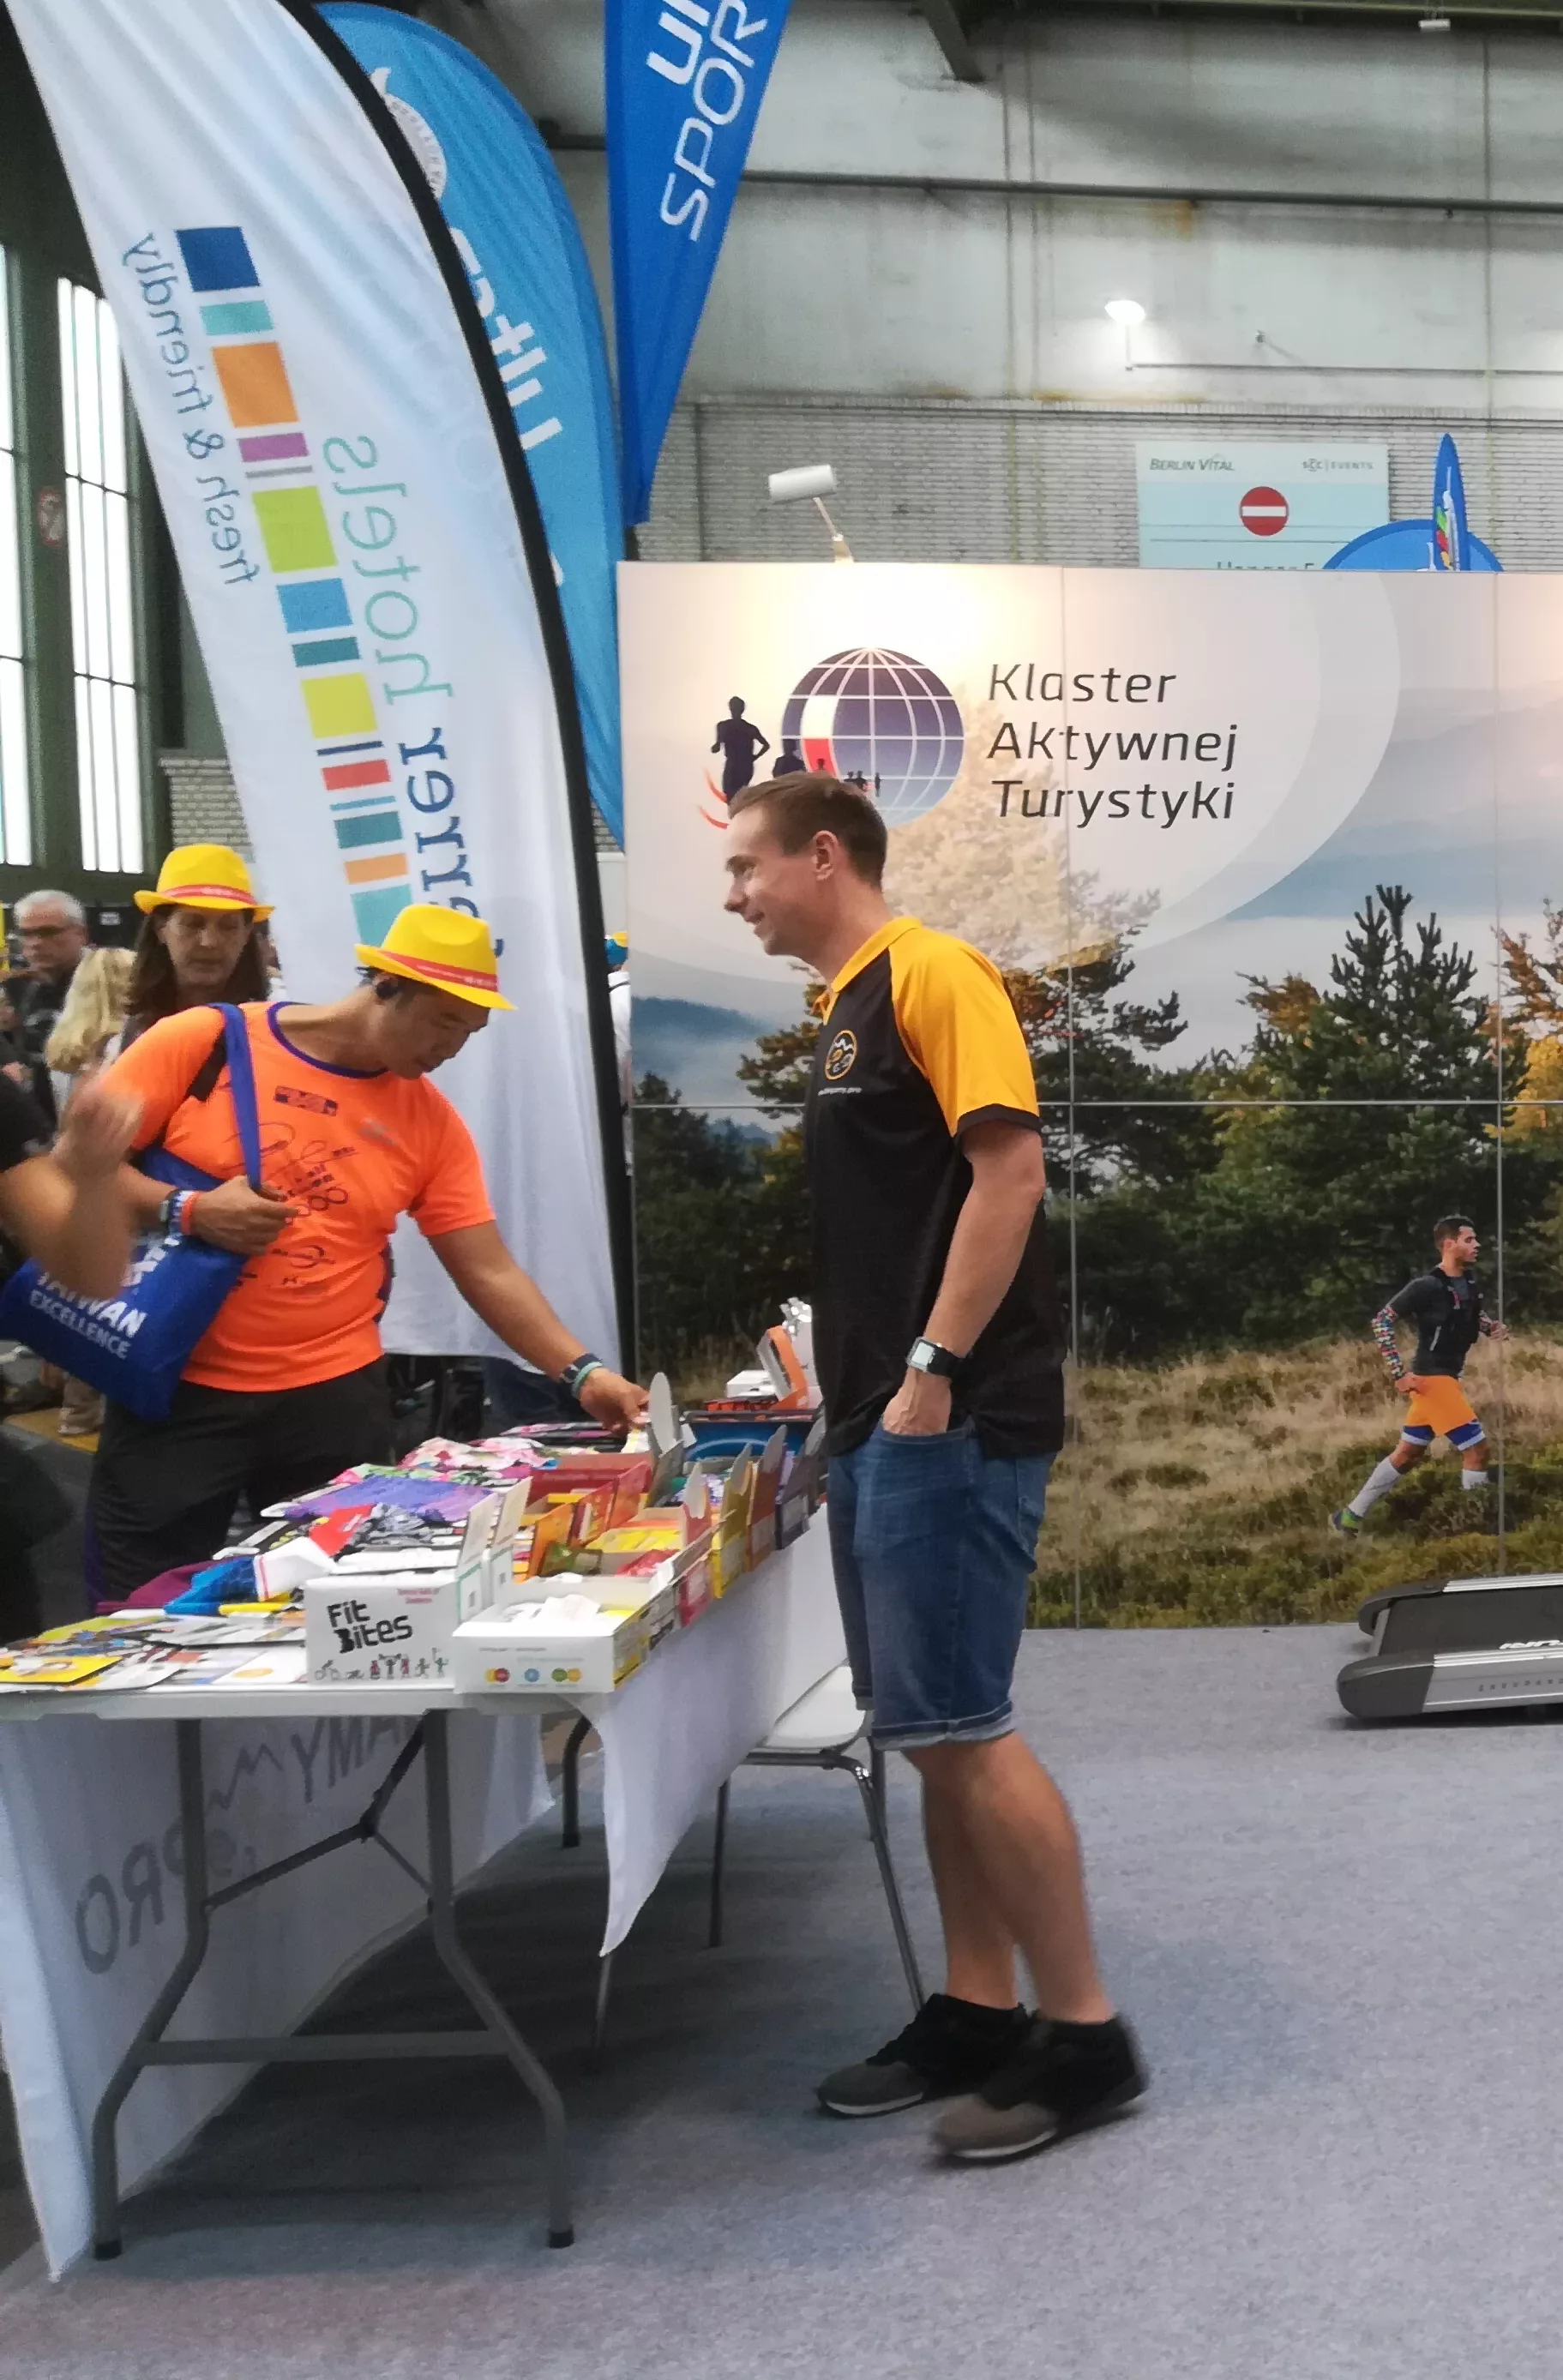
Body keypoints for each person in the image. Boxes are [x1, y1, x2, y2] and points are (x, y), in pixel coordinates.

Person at [722, 772, 1145, 2164]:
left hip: (947, 1418)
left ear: (821, 855)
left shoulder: (933, 974)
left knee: (963, 1725)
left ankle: (1083, 2039)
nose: (732, 895)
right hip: (878, 1417)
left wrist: (929, 1370)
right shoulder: (846, 1006)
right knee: (925, 1730)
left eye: (744, 866)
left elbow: (1009, 1176)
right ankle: (974, 2006)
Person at [91, 903, 646, 1597]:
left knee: (333, 1606)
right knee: (137, 1604)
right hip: (175, 1381)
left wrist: (583, 1374)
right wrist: (188, 1209)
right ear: (385, 985)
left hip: (332, 1398)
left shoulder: (429, 1121)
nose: (451, 1048)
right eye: (444, 1021)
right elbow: (74, 1169)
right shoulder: (205, 1042)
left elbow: (487, 1268)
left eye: (469, 1032)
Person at [1331, 1215, 1506, 1536]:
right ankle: (1477, 1532)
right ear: (1449, 1244)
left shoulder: (1469, 1283)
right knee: (1477, 1451)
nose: (1477, 1245)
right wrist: (1398, 1373)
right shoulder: (1426, 1286)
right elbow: (1382, 1321)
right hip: (1433, 1380)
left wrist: (1489, 1327)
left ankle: (1349, 1518)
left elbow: (1468, 1315)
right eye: (1469, 1240)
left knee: (1407, 1455)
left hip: (1445, 1380)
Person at [43, 946, 136, 1437]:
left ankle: (75, 1410)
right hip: (112, 1177)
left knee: (78, 1299)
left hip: (64, 1176)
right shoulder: (127, 1046)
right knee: (118, 1298)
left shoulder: (63, 1047)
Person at [118, 844, 272, 1050]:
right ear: (160, 928)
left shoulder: (276, 1028)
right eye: (193, 924)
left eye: (228, 926)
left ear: (246, 934)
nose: (210, 942)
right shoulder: (129, 1034)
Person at [10, 890, 89, 1120]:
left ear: (81, 933)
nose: (35, 943)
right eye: (26, 934)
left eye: (48, 932)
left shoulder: (111, 985)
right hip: (40, 1122)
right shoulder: (18, 989)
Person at [712, 697, 770, 801]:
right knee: (732, 794)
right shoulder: (725, 726)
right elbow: (717, 745)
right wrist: (754, 757)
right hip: (735, 763)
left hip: (742, 764)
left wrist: (754, 757)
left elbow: (766, 745)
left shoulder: (747, 728)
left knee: (737, 794)